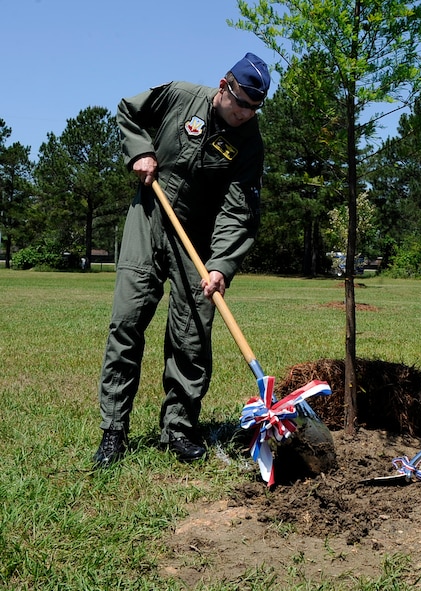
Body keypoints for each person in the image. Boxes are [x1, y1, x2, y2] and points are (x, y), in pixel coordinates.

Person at [93, 53, 270, 467]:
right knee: (128, 321)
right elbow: (128, 110)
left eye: (254, 107)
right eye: (241, 102)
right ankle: (114, 431)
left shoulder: (250, 143)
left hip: (200, 238)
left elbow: (238, 211)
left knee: (191, 337)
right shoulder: (180, 95)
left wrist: (221, 265)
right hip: (151, 217)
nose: (246, 113)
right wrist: (140, 151)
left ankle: (179, 429)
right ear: (224, 85)